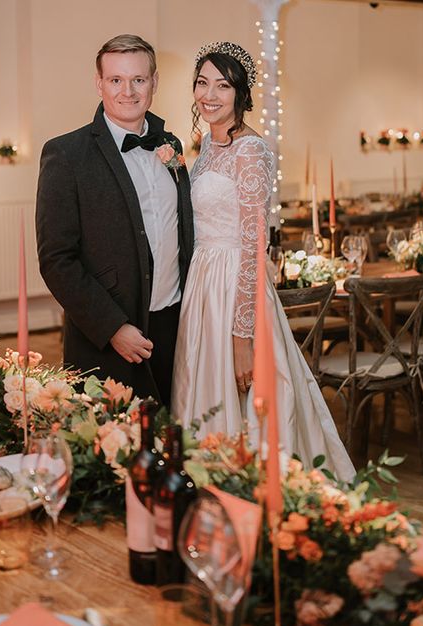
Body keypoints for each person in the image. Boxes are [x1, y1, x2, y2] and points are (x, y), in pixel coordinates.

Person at [171, 42, 354, 479]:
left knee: (247, 404)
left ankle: (251, 490)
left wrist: (242, 337)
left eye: (223, 85)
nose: (209, 94)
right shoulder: (206, 146)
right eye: (202, 82)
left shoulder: (251, 151)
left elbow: (254, 248)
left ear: (240, 94)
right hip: (202, 284)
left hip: (235, 285)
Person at [36, 35, 194, 408]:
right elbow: (57, 259)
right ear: (99, 83)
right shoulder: (65, 154)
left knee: (173, 444)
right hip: (109, 338)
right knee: (110, 454)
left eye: (139, 80)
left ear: (154, 83)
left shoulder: (171, 145)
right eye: (116, 80)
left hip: (175, 325)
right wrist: (113, 328)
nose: (128, 91)